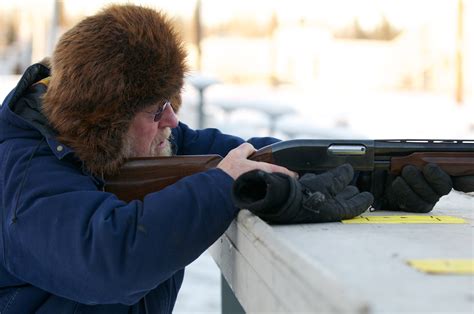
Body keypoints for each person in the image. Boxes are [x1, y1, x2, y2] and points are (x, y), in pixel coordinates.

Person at [0, 4, 471, 313]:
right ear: (105, 120)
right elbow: (104, 261)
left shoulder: (139, 141)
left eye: (171, 101)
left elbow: (265, 158)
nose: (172, 121)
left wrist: (380, 182)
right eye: (156, 109)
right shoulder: (21, 169)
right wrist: (223, 187)